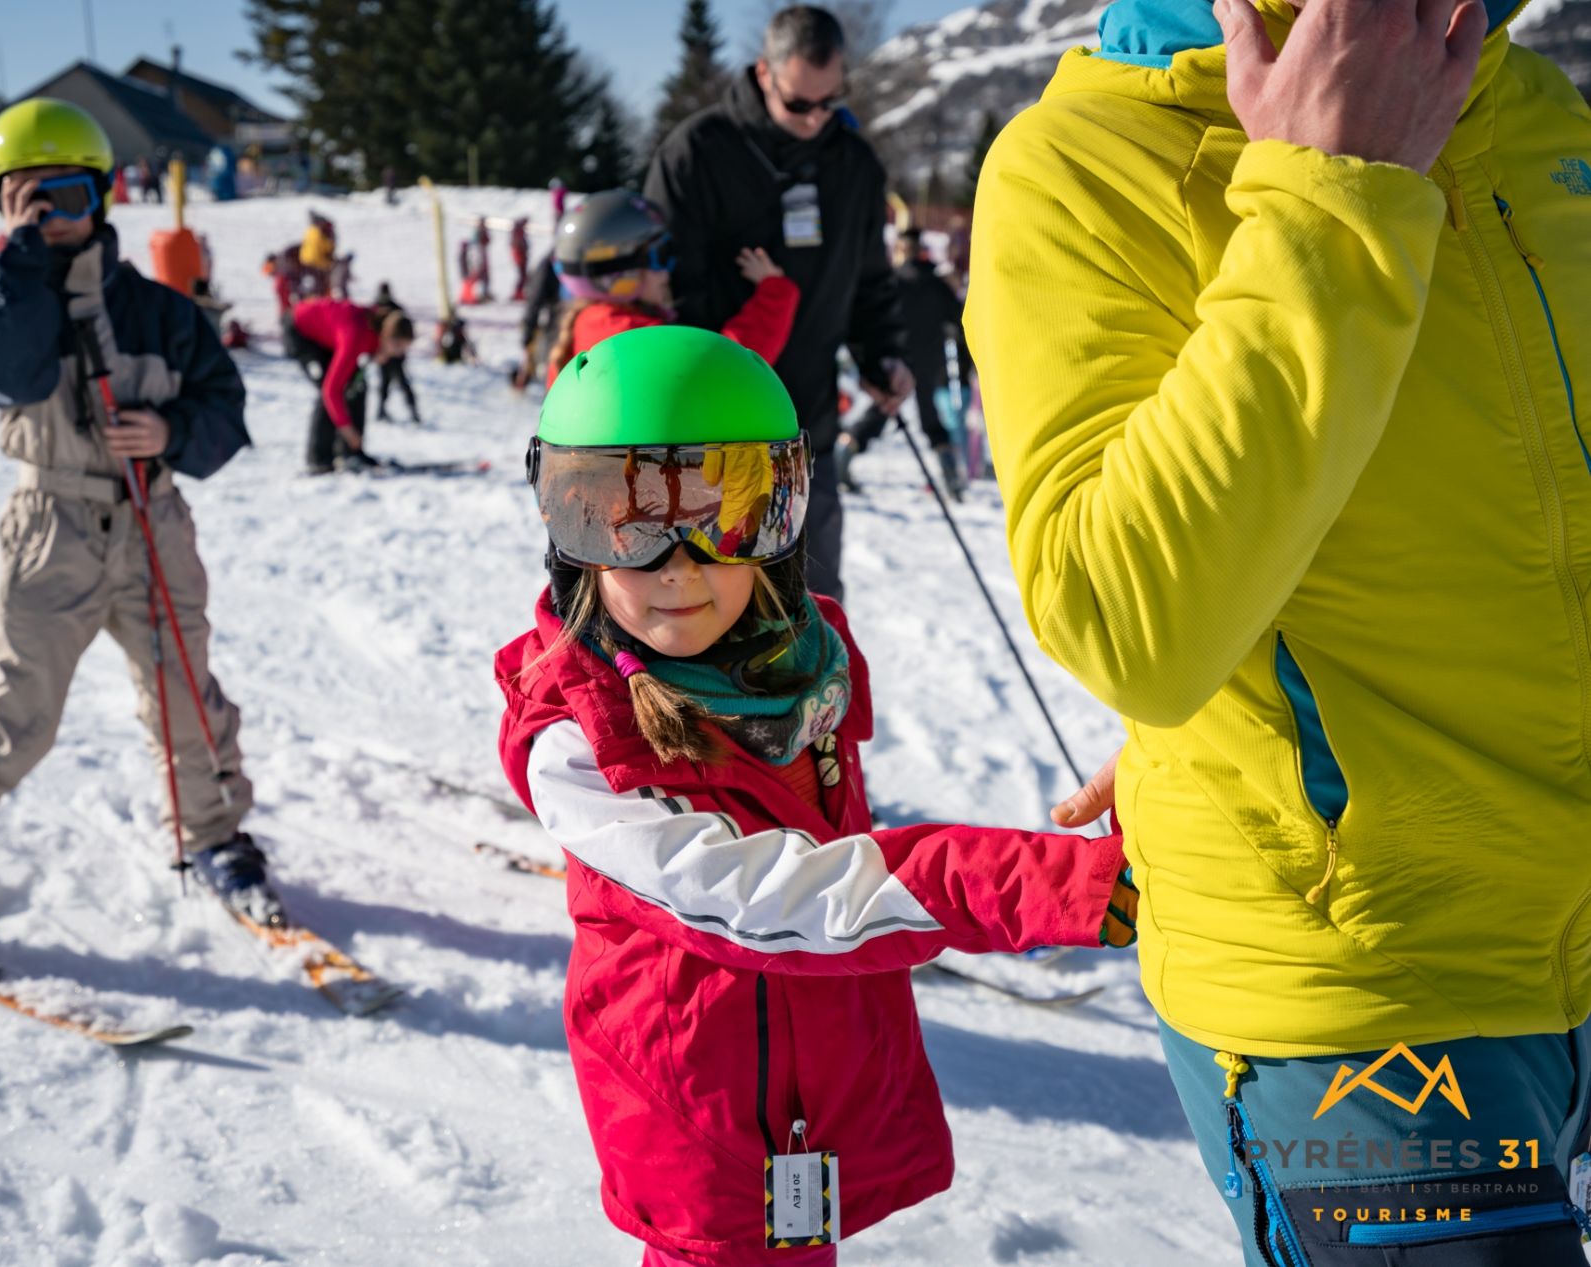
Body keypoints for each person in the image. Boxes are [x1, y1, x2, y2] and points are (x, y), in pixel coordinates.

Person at [965, 0, 1591, 1262]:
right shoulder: (1087, 161)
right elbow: (1130, 620)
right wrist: (1329, 192)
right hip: (1360, 990)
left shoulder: (1534, 109)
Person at [498, 324, 1137, 1267]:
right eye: (624, 526)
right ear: (571, 537)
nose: (675, 566)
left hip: (808, 1082)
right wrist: (1030, 883)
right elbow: (771, 896)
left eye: (724, 520)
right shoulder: (582, 745)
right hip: (705, 1116)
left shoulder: (802, 666)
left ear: (779, 521)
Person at [0, 98, 267, 984]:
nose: (55, 214)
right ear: (3, 208)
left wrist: (171, 430)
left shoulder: (160, 311)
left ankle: (216, 837)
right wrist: (25, 263)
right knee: (17, 717)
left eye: (72, 193)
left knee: (186, 694)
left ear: (106, 195)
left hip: (153, 516)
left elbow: (226, 412)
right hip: (55, 529)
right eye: (31, 198)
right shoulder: (2, 305)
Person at [646, 6, 911, 604]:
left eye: (830, 100)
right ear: (764, 74)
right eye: (799, 104)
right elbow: (667, 287)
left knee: (812, 591)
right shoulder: (697, 153)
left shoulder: (853, 163)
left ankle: (823, 696)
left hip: (810, 411)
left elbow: (869, 275)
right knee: (715, 594)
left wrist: (883, 355)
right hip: (715, 424)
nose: (817, 117)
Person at [544, 189, 798, 389]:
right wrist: (774, 294)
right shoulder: (634, 339)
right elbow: (729, 367)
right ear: (619, 273)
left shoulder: (590, 325)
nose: (668, 270)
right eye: (660, 255)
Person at [834, 227, 972, 500]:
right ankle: (949, 473)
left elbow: (877, 318)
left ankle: (844, 455)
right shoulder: (936, 283)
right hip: (928, 360)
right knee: (929, 419)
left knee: (880, 412)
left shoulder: (894, 281)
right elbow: (958, 320)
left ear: (900, 249)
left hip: (900, 361)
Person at [285, 296, 414, 473]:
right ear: (386, 336)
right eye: (397, 347)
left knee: (357, 386)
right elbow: (331, 390)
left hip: (329, 334)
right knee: (329, 390)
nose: (399, 354)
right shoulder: (355, 337)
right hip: (300, 330)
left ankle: (351, 454)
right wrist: (346, 428)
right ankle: (318, 459)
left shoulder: (376, 332)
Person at [369, 283, 422, 425]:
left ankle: (413, 412)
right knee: (385, 384)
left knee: (401, 383)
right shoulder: (377, 308)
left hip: (395, 355)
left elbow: (406, 330)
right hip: (384, 352)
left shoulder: (393, 307)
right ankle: (381, 411)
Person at [511, 247, 561, 392]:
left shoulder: (551, 261)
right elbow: (535, 300)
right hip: (560, 334)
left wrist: (528, 334)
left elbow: (534, 301)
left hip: (558, 335)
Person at [508, 217, 530, 301]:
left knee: (523, 276)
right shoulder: (517, 233)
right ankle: (518, 293)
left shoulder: (518, 232)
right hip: (520, 257)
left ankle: (519, 293)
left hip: (521, 257)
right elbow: (518, 246)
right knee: (522, 276)